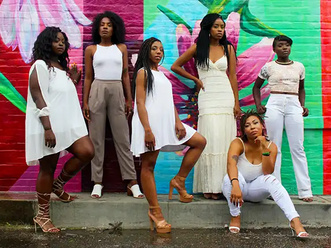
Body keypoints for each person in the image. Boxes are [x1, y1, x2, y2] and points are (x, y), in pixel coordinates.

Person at [131, 37, 207, 233]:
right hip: (150, 124)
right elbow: (140, 103)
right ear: (146, 51)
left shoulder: (161, 74)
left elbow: (168, 101)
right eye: (154, 48)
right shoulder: (143, 73)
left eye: (161, 49)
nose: (159, 52)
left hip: (168, 122)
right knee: (148, 166)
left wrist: (178, 121)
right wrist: (147, 129)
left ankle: (179, 180)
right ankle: (155, 211)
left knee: (199, 141)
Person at [26, 27, 95, 233]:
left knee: (87, 151)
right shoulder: (40, 65)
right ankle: (42, 216)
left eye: (63, 40)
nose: (61, 43)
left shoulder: (60, 67)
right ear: (46, 43)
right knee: (47, 168)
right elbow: (39, 96)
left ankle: (58, 185)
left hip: (67, 124)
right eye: (56, 40)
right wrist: (48, 127)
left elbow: (59, 94)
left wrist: (72, 79)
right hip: (49, 125)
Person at [171, 13, 240, 200]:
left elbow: (233, 77)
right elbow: (175, 66)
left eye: (222, 27)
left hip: (225, 96)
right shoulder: (198, 48)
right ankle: (208, 186)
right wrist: (195, 79)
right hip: (207, 96)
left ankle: (222, 186)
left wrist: (236, 103)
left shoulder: (228, 48)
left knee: (225, 140)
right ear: (208, 28)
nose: (220, 30)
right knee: (209, 138)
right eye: (217, 26)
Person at [83, 11, 143, 199]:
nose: (105, 27)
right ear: (97, 28)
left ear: (114, 27)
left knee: (123, 138)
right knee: (96, 139)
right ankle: (97, 182)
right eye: (102, 24)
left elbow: (126, 74)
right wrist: (85, 102)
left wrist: (129, 98)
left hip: (117, 89)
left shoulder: (121, 48)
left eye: (109, 24)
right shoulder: (91, 49)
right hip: (97, 89)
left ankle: (131, 181)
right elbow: (88, 77)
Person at [222, 110, 309, 238]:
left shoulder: (271, 146)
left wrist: (264, 149)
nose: (252, 127)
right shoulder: (238, 143)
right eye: (247, 125)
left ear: (262, 125)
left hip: (255, 190)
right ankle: (235, 216)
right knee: (230, 178)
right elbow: (231, 164)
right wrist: (235, 185)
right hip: (237, 188)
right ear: (243, 131)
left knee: (272, 180)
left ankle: (295, 221)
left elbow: (267, 171)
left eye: (255, 123)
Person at [252, 35, 313, 202]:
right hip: (275, 103)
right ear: (274, 49)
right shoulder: (268, 67)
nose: (285, 48)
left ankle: (305, 191)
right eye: (280, 45)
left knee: (298, 147)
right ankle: (274, 189)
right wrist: (259, 105)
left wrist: (302, 105)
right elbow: (256, 87)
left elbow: (301, 89)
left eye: (287, 45)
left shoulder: (299, 67)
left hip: (293, 104)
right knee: (274, 147)